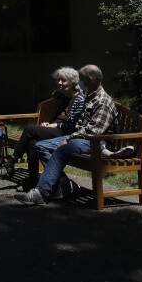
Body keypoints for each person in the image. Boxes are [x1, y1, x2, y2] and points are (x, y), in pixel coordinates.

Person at [14, 64, 128, 205]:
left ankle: (41, 193)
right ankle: (64, 184)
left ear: (91, 79)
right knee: (39, 146)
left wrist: (68, 138)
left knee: (62, 149)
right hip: (82, 138)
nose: (79, 82)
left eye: (82, 79)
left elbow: (92, 132)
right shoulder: (89, 97)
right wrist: (69, 137)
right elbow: (80, 125)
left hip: (96, 142)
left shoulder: (103, 102)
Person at [4, 66, 85, 190]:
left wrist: (54, 125)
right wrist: (50, 124)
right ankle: (32, 180)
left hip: (67, 133)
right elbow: (60, 115)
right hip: (59, 129)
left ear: (73, 82)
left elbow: (72, 126)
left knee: (30, 129)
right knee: (32, 142)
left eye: (63, 80)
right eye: (58, 80)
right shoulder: (63, 96)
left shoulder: (79, 99)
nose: (59, 83)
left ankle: (13, 159)